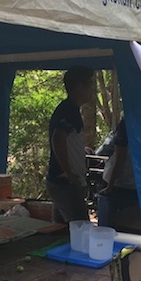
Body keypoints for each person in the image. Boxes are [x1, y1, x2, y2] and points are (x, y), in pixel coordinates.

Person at [45, 65, 95, 224]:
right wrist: (69, 172)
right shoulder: (68, 111)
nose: (91, 89)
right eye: (89, 84)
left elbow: (67, 140)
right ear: (80, 86)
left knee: (61, 229)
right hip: (65, 182)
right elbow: (58, 139)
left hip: (62, 181)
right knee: (80, 226)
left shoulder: (70, 109)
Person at [96, 118, 139, 229]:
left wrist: (109, 187)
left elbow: (120, 158)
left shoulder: (127, 124)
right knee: (128, 226)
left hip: (119, 184)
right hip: (130, 184)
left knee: (110, 227)